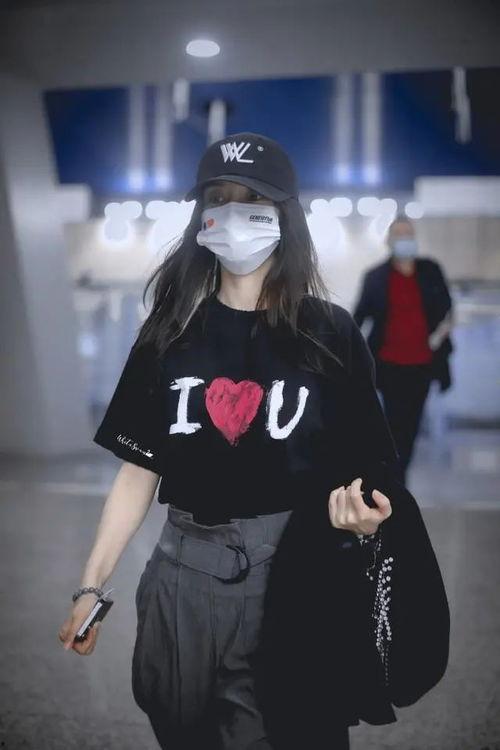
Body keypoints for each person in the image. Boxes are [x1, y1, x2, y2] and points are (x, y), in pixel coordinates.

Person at [58, 134, 450, 750]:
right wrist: (91, 584)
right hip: (180, 578)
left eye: (253, 200)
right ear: (201, 217)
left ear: (284, 216)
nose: (233, 214)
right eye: (218, 198)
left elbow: (371, 462)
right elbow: (138, 471)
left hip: (293, 572)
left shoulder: (328, 332)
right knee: (180, 728)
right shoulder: (169, 333)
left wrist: (364, 513)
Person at [353, 215, 454, 484]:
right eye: (399, 234)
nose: (404, 239)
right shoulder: (376, 277)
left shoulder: (430, 271)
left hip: (423, 364)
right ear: (388, 240)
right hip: (389, 364)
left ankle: (399, 473)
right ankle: (396, 478)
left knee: (412, 424)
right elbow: (359, 317)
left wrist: (442, 332)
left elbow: (447, 308)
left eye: (408, 234)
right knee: (393, 425)